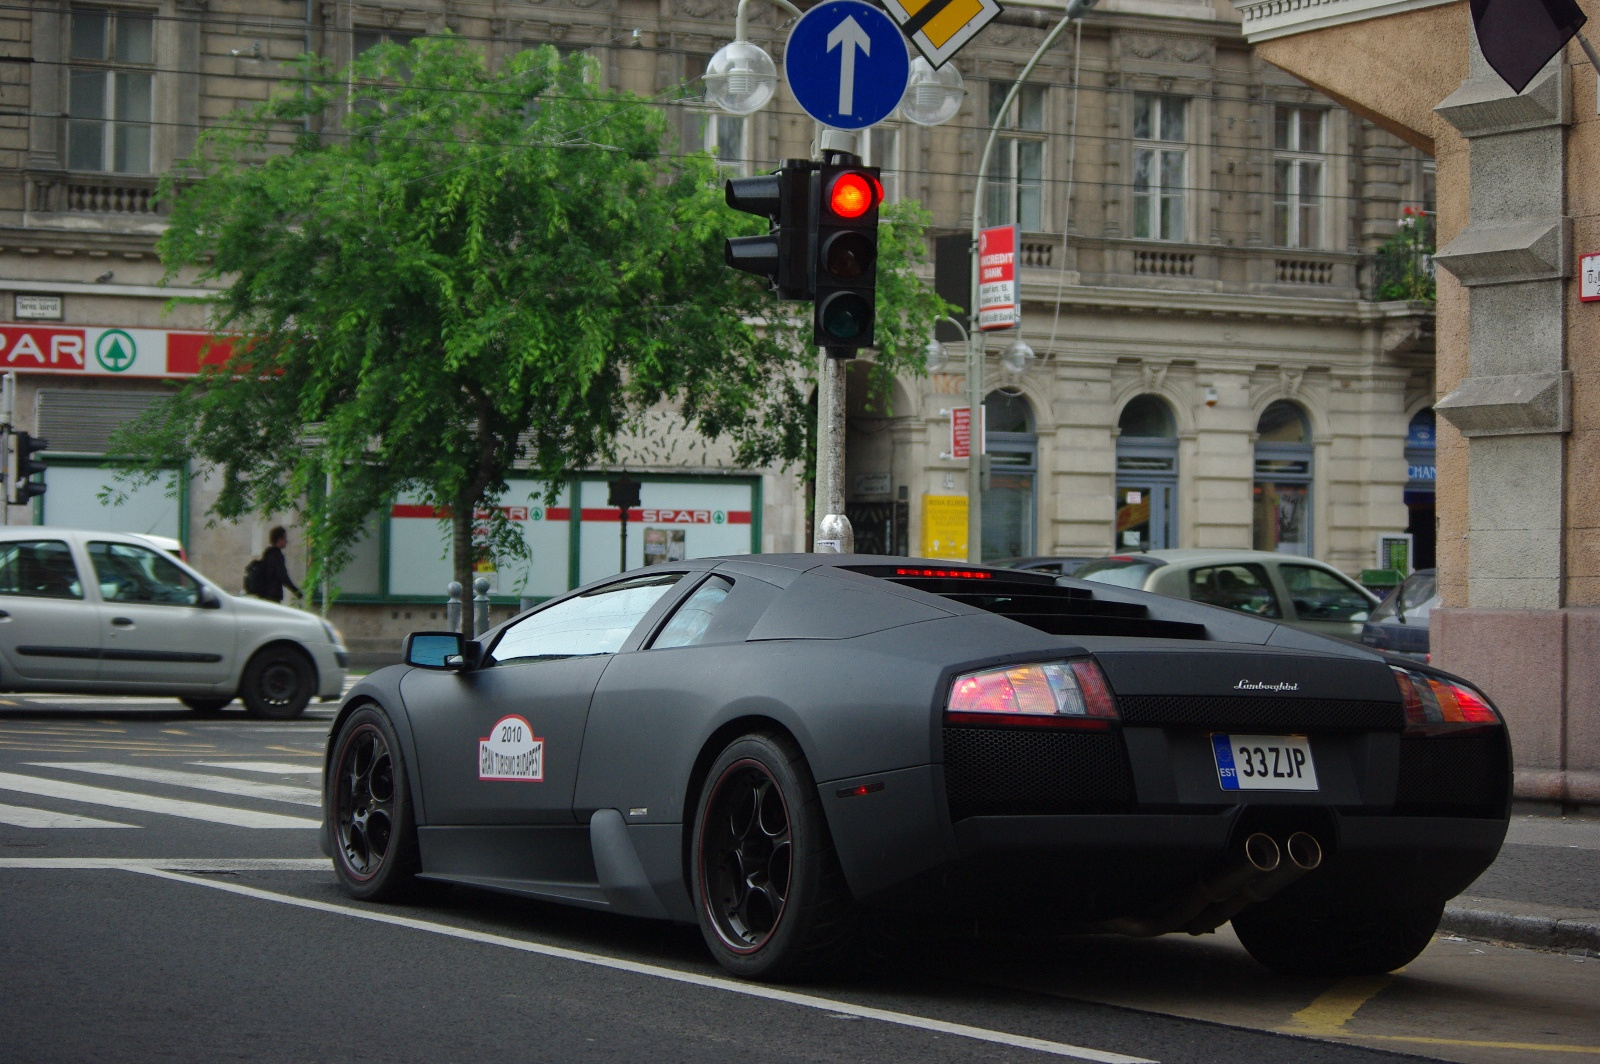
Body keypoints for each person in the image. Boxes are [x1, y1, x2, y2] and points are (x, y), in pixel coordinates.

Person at [256, 526, 302, 603]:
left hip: (264, 594)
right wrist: (297, 592)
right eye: (284, 538)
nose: (286, 541)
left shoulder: (267, 554)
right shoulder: (277, 556)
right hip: (273, 595)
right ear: (279, 539)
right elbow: (283, 576)